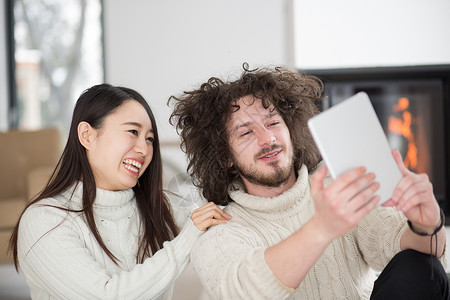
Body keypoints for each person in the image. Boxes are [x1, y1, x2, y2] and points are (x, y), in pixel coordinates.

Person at [168, 64, 449, 299]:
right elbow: (241, 290)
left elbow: (420, 260)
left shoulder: (337, 183)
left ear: (291, 129)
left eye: (273, 122)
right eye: (246, 133)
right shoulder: (219, 230)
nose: (268, 139)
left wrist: (427, 224)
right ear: (225, 157)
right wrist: (322, 228)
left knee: (422, 265)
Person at [9, 84, 231, 299]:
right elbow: (105, 296)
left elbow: (226, 218)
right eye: (132, 131)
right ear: (87, 135)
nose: (144, 149)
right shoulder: (45, 221)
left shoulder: (161, 207)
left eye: (150, 139)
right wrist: (188, 237)